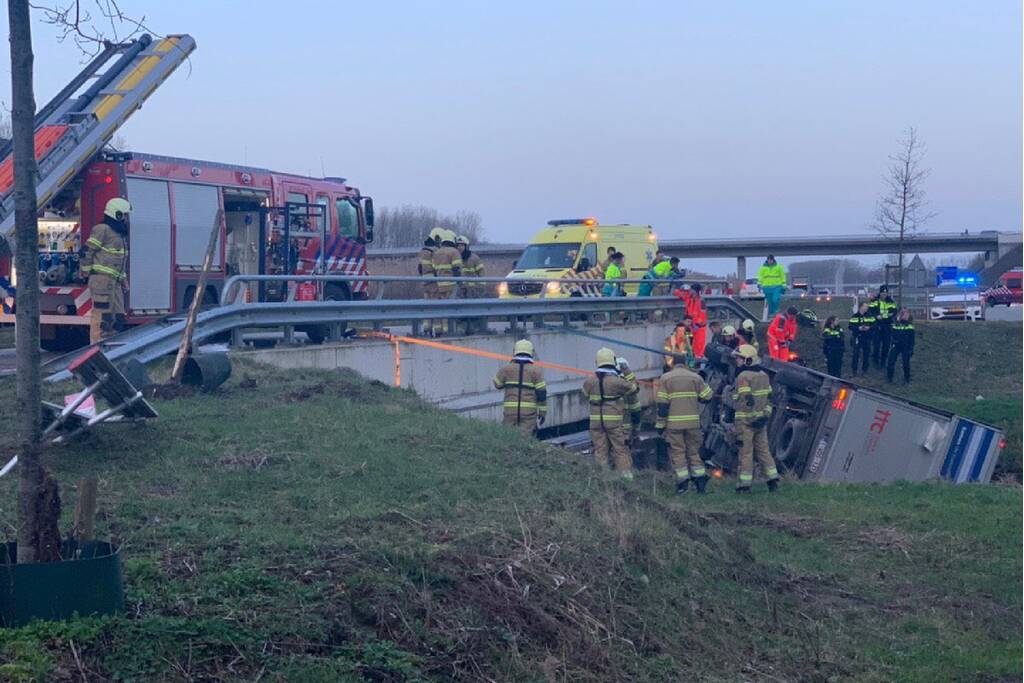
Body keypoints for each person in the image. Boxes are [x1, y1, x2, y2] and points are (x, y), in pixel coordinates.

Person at [656, 361, 713, 494]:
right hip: (693, 424)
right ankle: (700, 484)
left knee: (678, 453)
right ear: (685, 364)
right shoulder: (695, 377)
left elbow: (662, 406)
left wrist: (660, 425)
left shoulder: (666, 378)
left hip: (674, 424)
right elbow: (708, 396)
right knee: (693, 452)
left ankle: (683, 485)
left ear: (672, 364)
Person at [729, 345, 780, 493]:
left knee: (746, 453)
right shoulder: (764, 375)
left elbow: (746, 399)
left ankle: (744, 486)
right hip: (761, 422)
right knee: (764, 451)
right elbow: (770, 398)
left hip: (745, 423)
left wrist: (732, 396)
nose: (736, 360)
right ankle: (773, 481)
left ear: (748, 360)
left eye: (739, 358)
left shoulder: (743, 376)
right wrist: (764, 416)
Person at [81, 197, 131, 344]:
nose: (127, 219)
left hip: (114, 282)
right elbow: (87, 252)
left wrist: (123, 281)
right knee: (102, 317)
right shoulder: (102, 230)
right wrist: (85, 271)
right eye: (125, 215)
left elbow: (118, 261)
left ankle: (111, 349)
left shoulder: (118, 234)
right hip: (102, 281)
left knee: (117, 318)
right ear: (118, 214)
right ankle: (95, 349)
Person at [583, 347, 638, 480]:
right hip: (613, 422)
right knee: (620, 450)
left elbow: (585, 394)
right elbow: (634, 388)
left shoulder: (589, 381)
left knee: (600, 451)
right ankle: (626, 479)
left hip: (596, 422)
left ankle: (603, 478)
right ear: (612, 361)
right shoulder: (616, 381)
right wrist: (626, 370)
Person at [493, 340, 547, 435]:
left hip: (510, 412)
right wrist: (542, 412)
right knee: (525, 439)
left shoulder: (506, 369)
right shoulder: (536, 371)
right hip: (528, 413)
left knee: (508, 437)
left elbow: (497, 384)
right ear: (531, 353)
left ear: (515, 351)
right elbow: (542, 394)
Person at [430, 230, 463, 335]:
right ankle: (449, 330)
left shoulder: (437, 252)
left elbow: (434, 269)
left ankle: (440, 330)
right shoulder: (454, 252)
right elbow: (457, 269)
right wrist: (460, 283)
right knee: (452, 309)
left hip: (439, 285)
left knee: (442, 309)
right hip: (451, 285)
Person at [456, 234, 486, 333]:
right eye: (458, 245)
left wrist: (480, 290)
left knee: (474, 313)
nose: (460, 247)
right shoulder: (455, 259)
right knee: (461, 314)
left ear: (466, 246)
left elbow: (482, 275)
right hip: (461, 292)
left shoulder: (474, 258)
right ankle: (462, 331)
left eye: (462, 245)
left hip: (474, 293)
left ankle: (475, 330)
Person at [673, 283, 708, 357]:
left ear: (695, 291)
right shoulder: (688, 297)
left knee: (698, 348)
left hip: (699, 328)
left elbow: (702, 316)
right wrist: (681, 290)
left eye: (691, 289)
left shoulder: (701, 301)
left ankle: (697, 363)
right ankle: (689, 359)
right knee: (688, 343)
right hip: (690, 327)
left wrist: (697, 325)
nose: (689, 291)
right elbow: (677, 292)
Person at [886, 309, 915, 384]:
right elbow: (892, 334)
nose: (906, 316)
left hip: (906, 347)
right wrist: (897, 321)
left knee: (906, 363)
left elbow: (912, 339)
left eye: (907, 315)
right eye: (904, 314)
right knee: (891, 362)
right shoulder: (896, 324)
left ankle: (907, 379)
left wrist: (911, 349)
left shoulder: (910, 326)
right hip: (896, 345)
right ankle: (889, 378)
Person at [617, 356, 643, 441]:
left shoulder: (623, 374)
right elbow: (635, 388)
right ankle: (631, 438)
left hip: (630, 405)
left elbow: (635, 388)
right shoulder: (625, 375)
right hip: (629, 407)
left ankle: (629, 438)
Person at [872, 285, 897, 369]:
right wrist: (876, 316)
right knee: (876, 345)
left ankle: (883, 362)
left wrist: (888, 315)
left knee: (886, 345)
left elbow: (894, 311)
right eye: (883, 293)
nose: (884, 294)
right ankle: (875, 360)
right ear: (880, 292)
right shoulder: (875, 301)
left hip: (887, 325)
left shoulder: (891, 301)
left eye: (886, 293)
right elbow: (870, 311)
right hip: (877, 325)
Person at [848, 302, 876, 376]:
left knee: (866, 355)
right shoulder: (855, 316)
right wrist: (858, 328)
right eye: (865, 306)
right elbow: (850, 326)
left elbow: (875, 325)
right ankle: (854, 371)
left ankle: (864, 371)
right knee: (855, 354)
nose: (867, 308)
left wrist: (869, 328)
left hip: (867, 338)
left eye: (867, 306)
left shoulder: (870, 316)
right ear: (861, 307)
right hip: (857, 337)